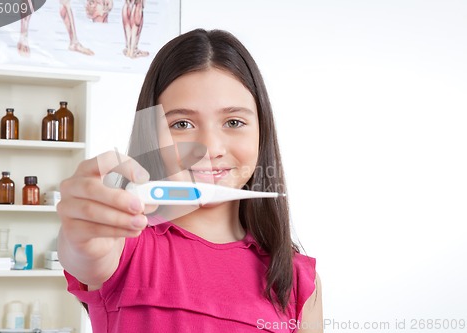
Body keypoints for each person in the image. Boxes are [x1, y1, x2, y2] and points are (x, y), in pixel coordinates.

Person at [57, 28, 323, 332]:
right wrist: (81, 236)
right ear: (152, 134)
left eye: (234, 122)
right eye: (182, 124)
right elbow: (85, 254)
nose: (209, 149)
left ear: (261, 132)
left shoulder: (299, 280)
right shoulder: (122, 245)